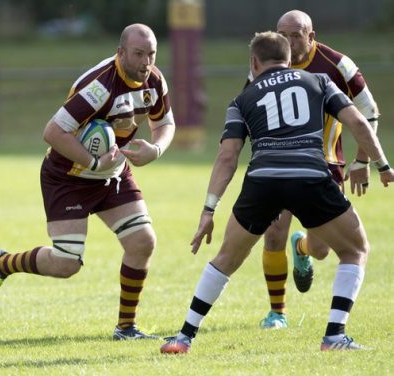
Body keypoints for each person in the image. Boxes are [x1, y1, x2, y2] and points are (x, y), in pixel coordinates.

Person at [160, 31, 393, 354]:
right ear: (289, 57)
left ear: (254, 62)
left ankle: (184, 337)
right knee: (355, 250)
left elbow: (228, 157)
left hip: (262, 181)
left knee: (226, 259)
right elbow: (358, 123)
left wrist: (209, 210)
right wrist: (381, 165)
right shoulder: (319, 82)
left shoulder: (242, 99)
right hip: (310, 177)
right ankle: (334, 335)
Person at [0, 23, 175, 340]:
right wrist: (94, 161)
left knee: (143, 241)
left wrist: (157, 148)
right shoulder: (98, 87)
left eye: (151, 54)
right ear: (120, 52)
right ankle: (2, 264)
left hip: (113, 173)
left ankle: (126, 328)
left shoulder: (154, 79)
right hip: (69, 177)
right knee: (67, 263)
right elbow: (52, 132)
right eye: (139, 54)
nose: (146, 62)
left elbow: (165, 122)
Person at [252, 10, 381, 329]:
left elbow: (370, 113)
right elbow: (251, 103)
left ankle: (303, 246)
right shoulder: (267, 61)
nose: (288, 41)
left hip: (326, 166)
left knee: (322, 250)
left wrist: (363, 160)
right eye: (283, 33)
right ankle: (277, 313)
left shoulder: (338, 65)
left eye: (296, 34)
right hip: (279, 161)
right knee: (272, 234)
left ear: (312, 36)